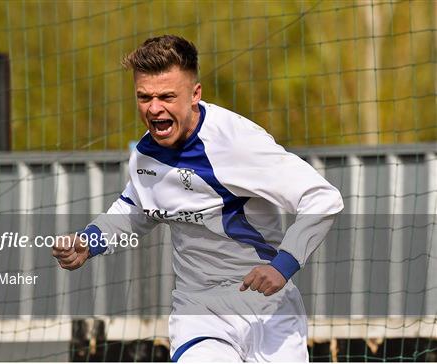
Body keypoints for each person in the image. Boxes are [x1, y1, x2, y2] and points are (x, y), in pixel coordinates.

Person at [53, 35, 343, 362]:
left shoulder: (237, 143)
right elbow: (135, 210)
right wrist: (89, 241)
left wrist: (282, 265)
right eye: (144, 97)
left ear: (195, 94)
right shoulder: (146, 156)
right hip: (200, 310)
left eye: (166, 96)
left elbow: (322, 198)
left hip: (269, 308)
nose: (154, 108)